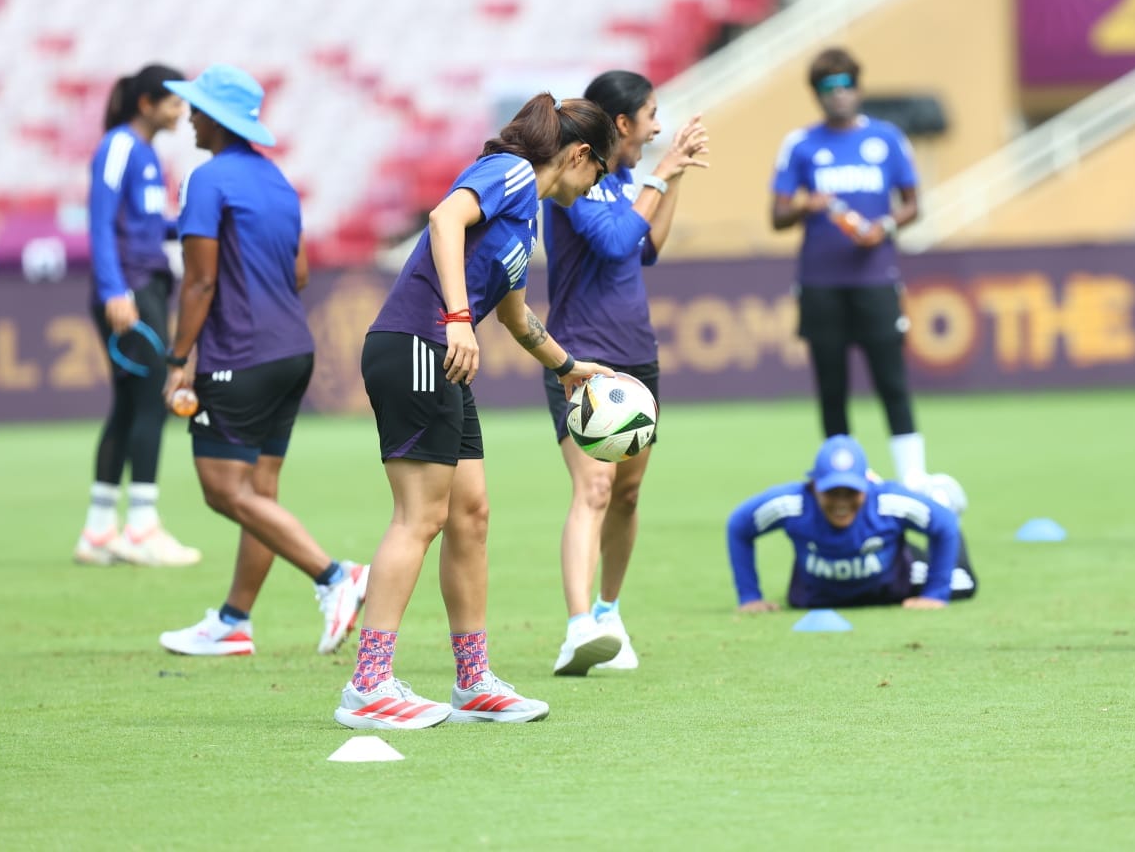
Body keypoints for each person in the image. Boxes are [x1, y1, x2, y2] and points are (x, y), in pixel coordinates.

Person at [333, 93, 617, 730]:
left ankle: (473, 681)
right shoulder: (512, 171)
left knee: (470, 514)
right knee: (421, 516)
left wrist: (566, 367)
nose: (598, 182)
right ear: (579, 154)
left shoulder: (528, 217)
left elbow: (515, 315)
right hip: (416, 345)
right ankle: (368, 684)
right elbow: (443, 219)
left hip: (442, 355)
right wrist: (459, 319)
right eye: (601, 168)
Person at [156, 64, 367, 658]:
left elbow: (198, 284)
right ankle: (234, 621)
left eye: (198, 110)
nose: (191, 118)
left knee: (223, 491)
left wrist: (179, 360)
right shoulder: (278, 181)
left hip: (240, 357)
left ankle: (336, 577)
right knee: (261, 494)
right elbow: (297, 273)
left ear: (216, 119)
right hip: (292, 351)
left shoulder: (207, 179)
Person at [541, 70, 709, 676]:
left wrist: (674, 175)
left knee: (628, 494)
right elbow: (615, 243)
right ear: (621, 124)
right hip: (580, 357)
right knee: (594, 488)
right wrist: (661, 174)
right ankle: (577, 627)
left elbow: (647, 248)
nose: (658, 126)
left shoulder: (627, 183)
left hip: (638, 355)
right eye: (651, 114)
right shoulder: (575, 179)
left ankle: (610, 613)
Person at [770, 46, 930, 489]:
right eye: (827, 88)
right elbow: (778, 216)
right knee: (832, 387)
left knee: (891, 380)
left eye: (844, 85)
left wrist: (884, 227)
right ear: (816, 95)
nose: (837, 95)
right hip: (821, 284)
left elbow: (913, 204)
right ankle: (841, 475)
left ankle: (914, 477)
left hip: (875, 279)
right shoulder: (801, 145)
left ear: (857, 88)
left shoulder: (887, 139)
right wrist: (806, 205)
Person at [76, 64, 202, 568]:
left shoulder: (145, 154)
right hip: (130, 290)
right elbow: (100, 221)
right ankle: (143, 526)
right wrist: (114, 289)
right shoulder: (120, 147)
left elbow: (147, 227)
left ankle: (99, 529)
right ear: (147, 104)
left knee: (129, 406)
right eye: (174, 102)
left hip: (142, 283)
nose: (182, 111)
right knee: (152, 398)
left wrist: (194, 229)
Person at [726, 434, 972, 613]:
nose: (841, 502)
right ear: (814, 486)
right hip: (818, 598)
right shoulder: (792, 504)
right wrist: (750, 597)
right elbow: (738, 525)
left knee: (963, 581)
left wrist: (935, 594)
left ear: (866, 485)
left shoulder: (888, 501)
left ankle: (941, 497)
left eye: (851, 492)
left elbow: (946, 525)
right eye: (832, 492)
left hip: (895, 585)